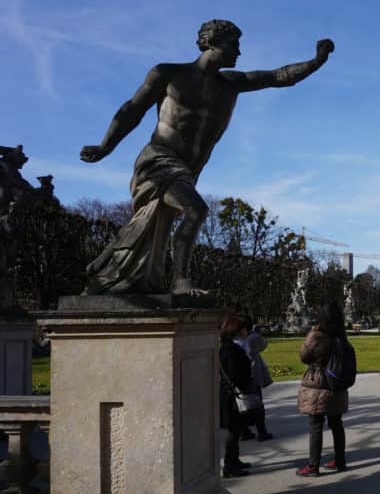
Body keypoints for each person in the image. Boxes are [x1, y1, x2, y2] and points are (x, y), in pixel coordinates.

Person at [79, 19, 334, 295]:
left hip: (187, 170)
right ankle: (180, 282)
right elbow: (132, 110)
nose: (239, 52)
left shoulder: (231, 84)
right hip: (158, 160)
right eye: (233, 44)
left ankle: (104, 268)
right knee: (196, 210)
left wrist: (317, 61)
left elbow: (279, 76)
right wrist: (106, 146)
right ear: (211, 41)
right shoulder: (168, 74)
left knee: (150, 230)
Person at [296, 302, 350, 477]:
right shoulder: (341, 336)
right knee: (336, 424)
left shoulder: (318, 336)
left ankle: (313, 466)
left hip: (319, 384)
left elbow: (304, 357)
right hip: (337, 384)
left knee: (316, 425)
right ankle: (340, 460)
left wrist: (311, 333)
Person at [218, 314, 254, 478]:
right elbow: (234, 373)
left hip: (232, 393)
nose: (247, 331)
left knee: (237, 430)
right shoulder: (231, 349)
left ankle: (234, 460)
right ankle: (229, 466)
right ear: (237, 331)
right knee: (233, 431)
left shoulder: (231, 346)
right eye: (244, 328)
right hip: (233, 395)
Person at [237, 316, 274, 441]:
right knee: (257, 402)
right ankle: (261, 431)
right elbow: (264, 345)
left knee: (242, 402)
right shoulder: (253, 337)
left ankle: (245, 428)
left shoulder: (234, 341)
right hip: (252, 372)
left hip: (240, 375)